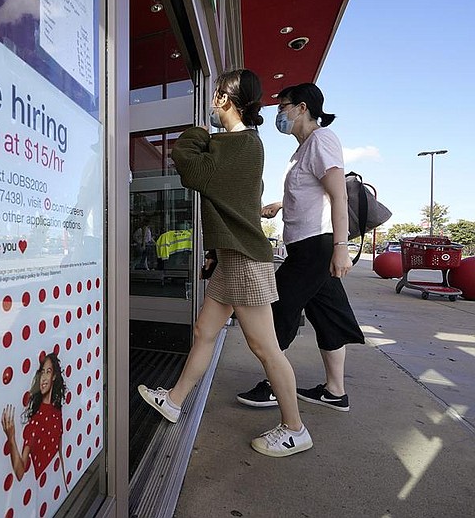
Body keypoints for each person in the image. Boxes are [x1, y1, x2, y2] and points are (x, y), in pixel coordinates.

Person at [138, 69, 312, 457]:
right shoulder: (240, 145)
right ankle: (175, 400)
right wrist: (215, 251)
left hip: (247, 260)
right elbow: (235, 205)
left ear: (223, 100)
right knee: (203, 331)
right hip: (231, 257)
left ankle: (295, 428)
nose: (211, 104)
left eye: (215, 96)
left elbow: (188, 164)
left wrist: (198, 130)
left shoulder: (241, 146)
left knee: (265, 346)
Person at [236, 83, 365, 412]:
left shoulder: (322, 139)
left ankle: (273, 386)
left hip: (316, 247)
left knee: (278, 309)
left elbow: (338, 195)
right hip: (307, 245)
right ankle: (336, 391)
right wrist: (282, 204)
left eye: (283, 107)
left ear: (303, 108)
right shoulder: (303, 149)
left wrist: (340, 247)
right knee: (328, 316)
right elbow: (315, 191)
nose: (279, 113)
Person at [2, 353, 69, 488]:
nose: (44, 378)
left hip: (56, 484)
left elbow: (60, 452)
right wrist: (11, 438)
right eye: (42, 372)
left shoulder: (57, 411)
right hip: (43, 490)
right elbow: (20, 472)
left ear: (54, 376)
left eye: (48, 372)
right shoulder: (35, 422)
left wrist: (65, 484)